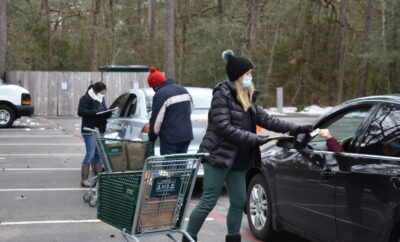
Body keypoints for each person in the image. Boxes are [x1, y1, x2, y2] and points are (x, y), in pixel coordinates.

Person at [184, 50, 313, 242]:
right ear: (238, 76)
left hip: (240, 158)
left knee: (238, 202)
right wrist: (254, 138)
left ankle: (233, 239)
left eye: (250, 74)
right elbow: (223, 127)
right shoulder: (222, 95)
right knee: (208, 201)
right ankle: (188, 238)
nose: (250, 77)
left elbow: (267, 120)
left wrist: (297, 128)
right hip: (218, 156)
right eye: (247, 74)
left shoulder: (248, 98)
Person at [147, 66, 193, 155]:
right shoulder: (182, 89)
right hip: (186, 135)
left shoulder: (160, 95)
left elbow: (156, 121)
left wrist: (151, 138)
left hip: (170, 139)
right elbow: (190, 109)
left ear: (155, 86)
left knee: (169, 167)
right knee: (182, 168)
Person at [77, 82, 111, 187]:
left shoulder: (101, 100)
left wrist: (108, 113)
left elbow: (104, 109)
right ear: (96, 91)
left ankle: (98, 178)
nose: (103, 95)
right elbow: (81, 112)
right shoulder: (85, 98)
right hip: (89, 130)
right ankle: (84, 179)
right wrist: (95, 112)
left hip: (100, 129)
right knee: (90, 154)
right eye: (102, 93)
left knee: (98, 155)